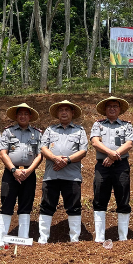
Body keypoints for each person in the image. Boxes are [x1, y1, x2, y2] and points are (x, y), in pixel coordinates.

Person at [38, 100, 88, 243]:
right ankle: (43, 238)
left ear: (72, 113)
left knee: (73, 206)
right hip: (51, 175)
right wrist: (55, 158)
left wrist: (66, 160)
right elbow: (43, 148)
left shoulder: (80, 131)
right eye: (61, 110)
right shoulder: (50, 130)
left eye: (67, 110)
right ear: (57, 114)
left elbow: (83, 151)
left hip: (72, 176)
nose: (64, 112)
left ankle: (74, 238)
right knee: (47, 205)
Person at [0, 103, 43, 246]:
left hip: (29, 173)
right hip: (11, 173)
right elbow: (3, 153)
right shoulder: (8, 132)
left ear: (30, 116)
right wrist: (14, 170)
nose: (23, 116)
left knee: (26, 205)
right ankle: (1, 239)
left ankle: (23, 239)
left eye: (26, 114)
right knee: (7, 203)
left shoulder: (37, 133)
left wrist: (29, 171)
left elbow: (40, 155)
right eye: (20, 114)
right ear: (16, 116)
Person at [90, 96, 133, 242]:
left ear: (119, 109)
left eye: (115, 106)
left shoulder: (126, 125)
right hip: (102, 165)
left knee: (123, 197)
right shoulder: (98, 124)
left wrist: (114, 156)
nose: (112, 108)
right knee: (99, 197)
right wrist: (110, 153)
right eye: (109, 106)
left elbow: (129, 144)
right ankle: (100, 237)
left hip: (121, 166)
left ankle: (123, 237)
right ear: (105, 109)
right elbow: (95, 142)